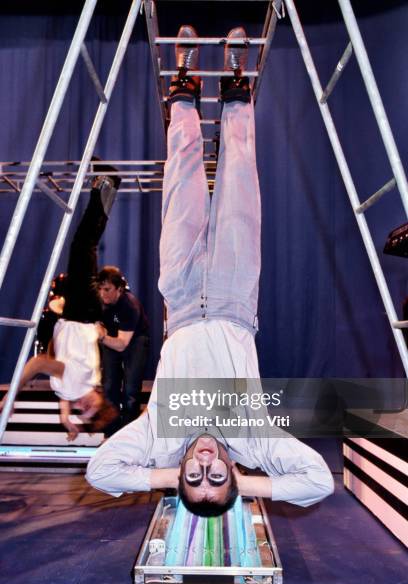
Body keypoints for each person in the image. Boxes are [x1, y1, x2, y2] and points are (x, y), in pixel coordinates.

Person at [86, 26, 334, 515]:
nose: (204, 464)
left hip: (179, 298)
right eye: (215, 478)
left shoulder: (159, 441)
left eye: (194, 478)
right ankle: (236, 89)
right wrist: (244, 483)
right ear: (232, 475)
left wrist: (168, 476)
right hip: (233, 298)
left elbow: (101, 472)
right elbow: (318, 482)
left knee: (182, 179)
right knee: (240, 181)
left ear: (178, 474)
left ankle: (184, 87)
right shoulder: (253, 444)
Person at [1, 166, 121, 440]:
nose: (82, 405)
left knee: (85, 245)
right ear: (99, 399)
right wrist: (11, 396)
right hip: (81, 311)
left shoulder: (85, 385)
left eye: (81, 410)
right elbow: (41, 363)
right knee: (83, 245)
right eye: (89, 406)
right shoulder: (78, 384)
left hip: (82, 313)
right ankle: (106, 183)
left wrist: (65, 415)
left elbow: (69, 388)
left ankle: (104, 185)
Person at [96, 266, 149, 434]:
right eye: (100, 289)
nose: (103, 293)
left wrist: (101, 336)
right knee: (109, 385)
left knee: (131, 390)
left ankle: (129, 434)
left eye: (107, 289)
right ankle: (110, 433)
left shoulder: (129, 305)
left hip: (134, 341)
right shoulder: (99, 302)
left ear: (119, 289)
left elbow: (121, 344)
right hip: (112, 337)